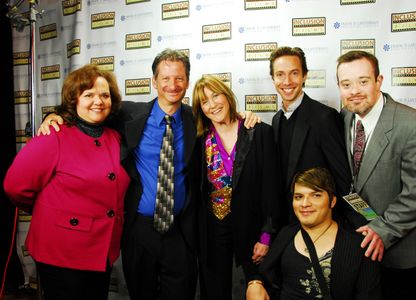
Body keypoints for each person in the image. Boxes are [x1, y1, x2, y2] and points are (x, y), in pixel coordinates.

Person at [39, 49, 260, 299]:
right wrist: (53, 115)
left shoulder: (197, 118)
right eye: (165, 78)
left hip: (181, 232)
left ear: (187, 81)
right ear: (154, 82)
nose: (172, 85)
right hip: (139, 230)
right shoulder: (127, 114)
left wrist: (244, 116)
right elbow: (87, 111)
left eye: (179, 78)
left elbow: (225, 119)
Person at [3, 64, 130, 300]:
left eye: (104, 95)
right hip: (62, 250)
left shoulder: (115, 136)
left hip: (102, 249)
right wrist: (46, 209)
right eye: (89, 95)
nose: (98, 101)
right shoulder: (54, 134)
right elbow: (15, 186)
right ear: (74, 99)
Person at [336, 50, 416, 299]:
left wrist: (382, 230)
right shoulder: (345, 117)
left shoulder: (415, 127)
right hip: (360, 242)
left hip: (402, 248)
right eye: (346, 84)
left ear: (379, 81)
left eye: (363, 81)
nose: (355, 91)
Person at [192, 75, 281, 300]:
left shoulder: (259, 132)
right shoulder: (199, 141)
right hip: (213, 229)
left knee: (259, 291)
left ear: (227, 95)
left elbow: (272, 190)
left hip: (252, 228)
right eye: (205, 101)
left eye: (215, 95)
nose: (212, 105)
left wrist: (266, 237)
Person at [246, 167, 382, 300]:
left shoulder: (360, 245)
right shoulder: (287, 233)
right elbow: (264, 271)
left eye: (316, 195)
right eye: (298, 197)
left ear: (332, 201)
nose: (305, 203)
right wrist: (254, 283)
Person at [269, 46, 359, 227]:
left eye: (294, 73)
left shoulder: (324, 117)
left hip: (321, 225)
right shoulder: (276, 119)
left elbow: (344, 180)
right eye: (280, 74)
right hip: (288, 224)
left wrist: (366, 222)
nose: (287, 81)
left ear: (304, 76)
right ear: (273, 78)